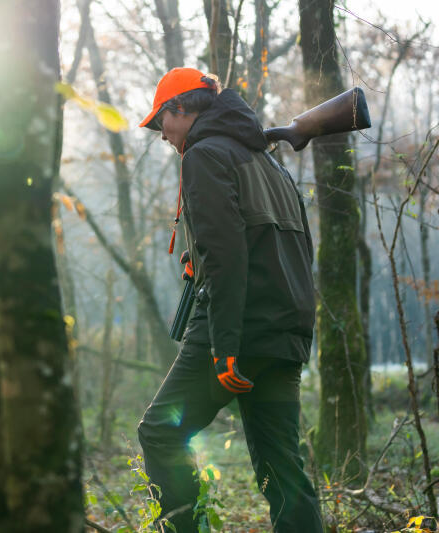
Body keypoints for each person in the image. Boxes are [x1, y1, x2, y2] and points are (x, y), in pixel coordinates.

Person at [136, 67, 324, 532]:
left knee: (160, 432)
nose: (162, 136)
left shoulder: (204, 156)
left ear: (181, 109)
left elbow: (225, 256)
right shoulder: (269, 163)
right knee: (282, 468)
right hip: (285, 329)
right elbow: (289, 246)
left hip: (241, 328)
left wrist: (225, 347)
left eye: (162, 123)